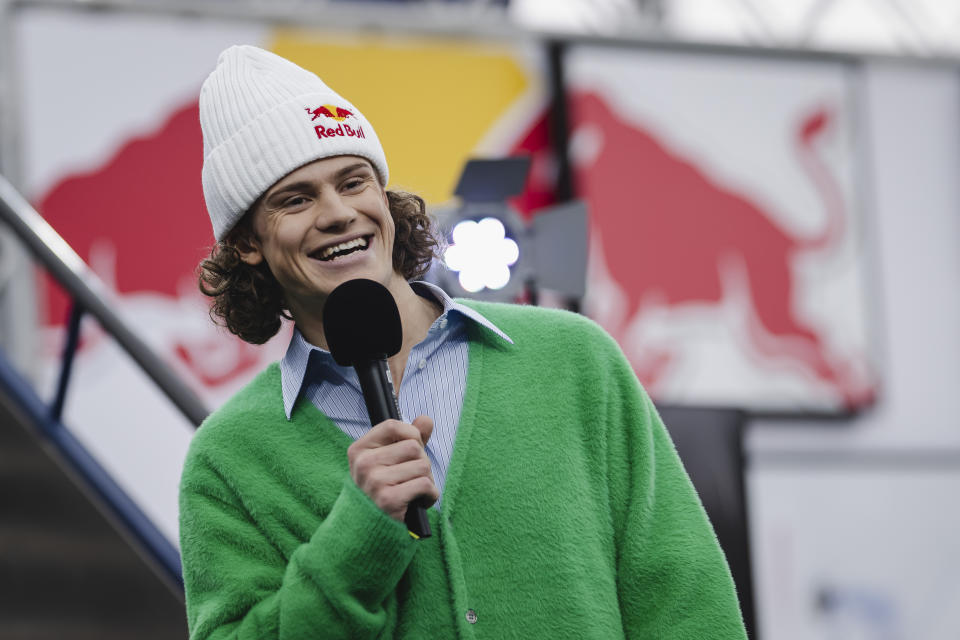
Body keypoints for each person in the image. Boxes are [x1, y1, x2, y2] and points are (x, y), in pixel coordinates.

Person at [179, 45, 748, 640]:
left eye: (354, 182)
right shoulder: (228, 459)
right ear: (246, 243)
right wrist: (355, 539)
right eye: (295, 199)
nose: (339, 213)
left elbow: (684, 597)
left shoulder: (574, 360)